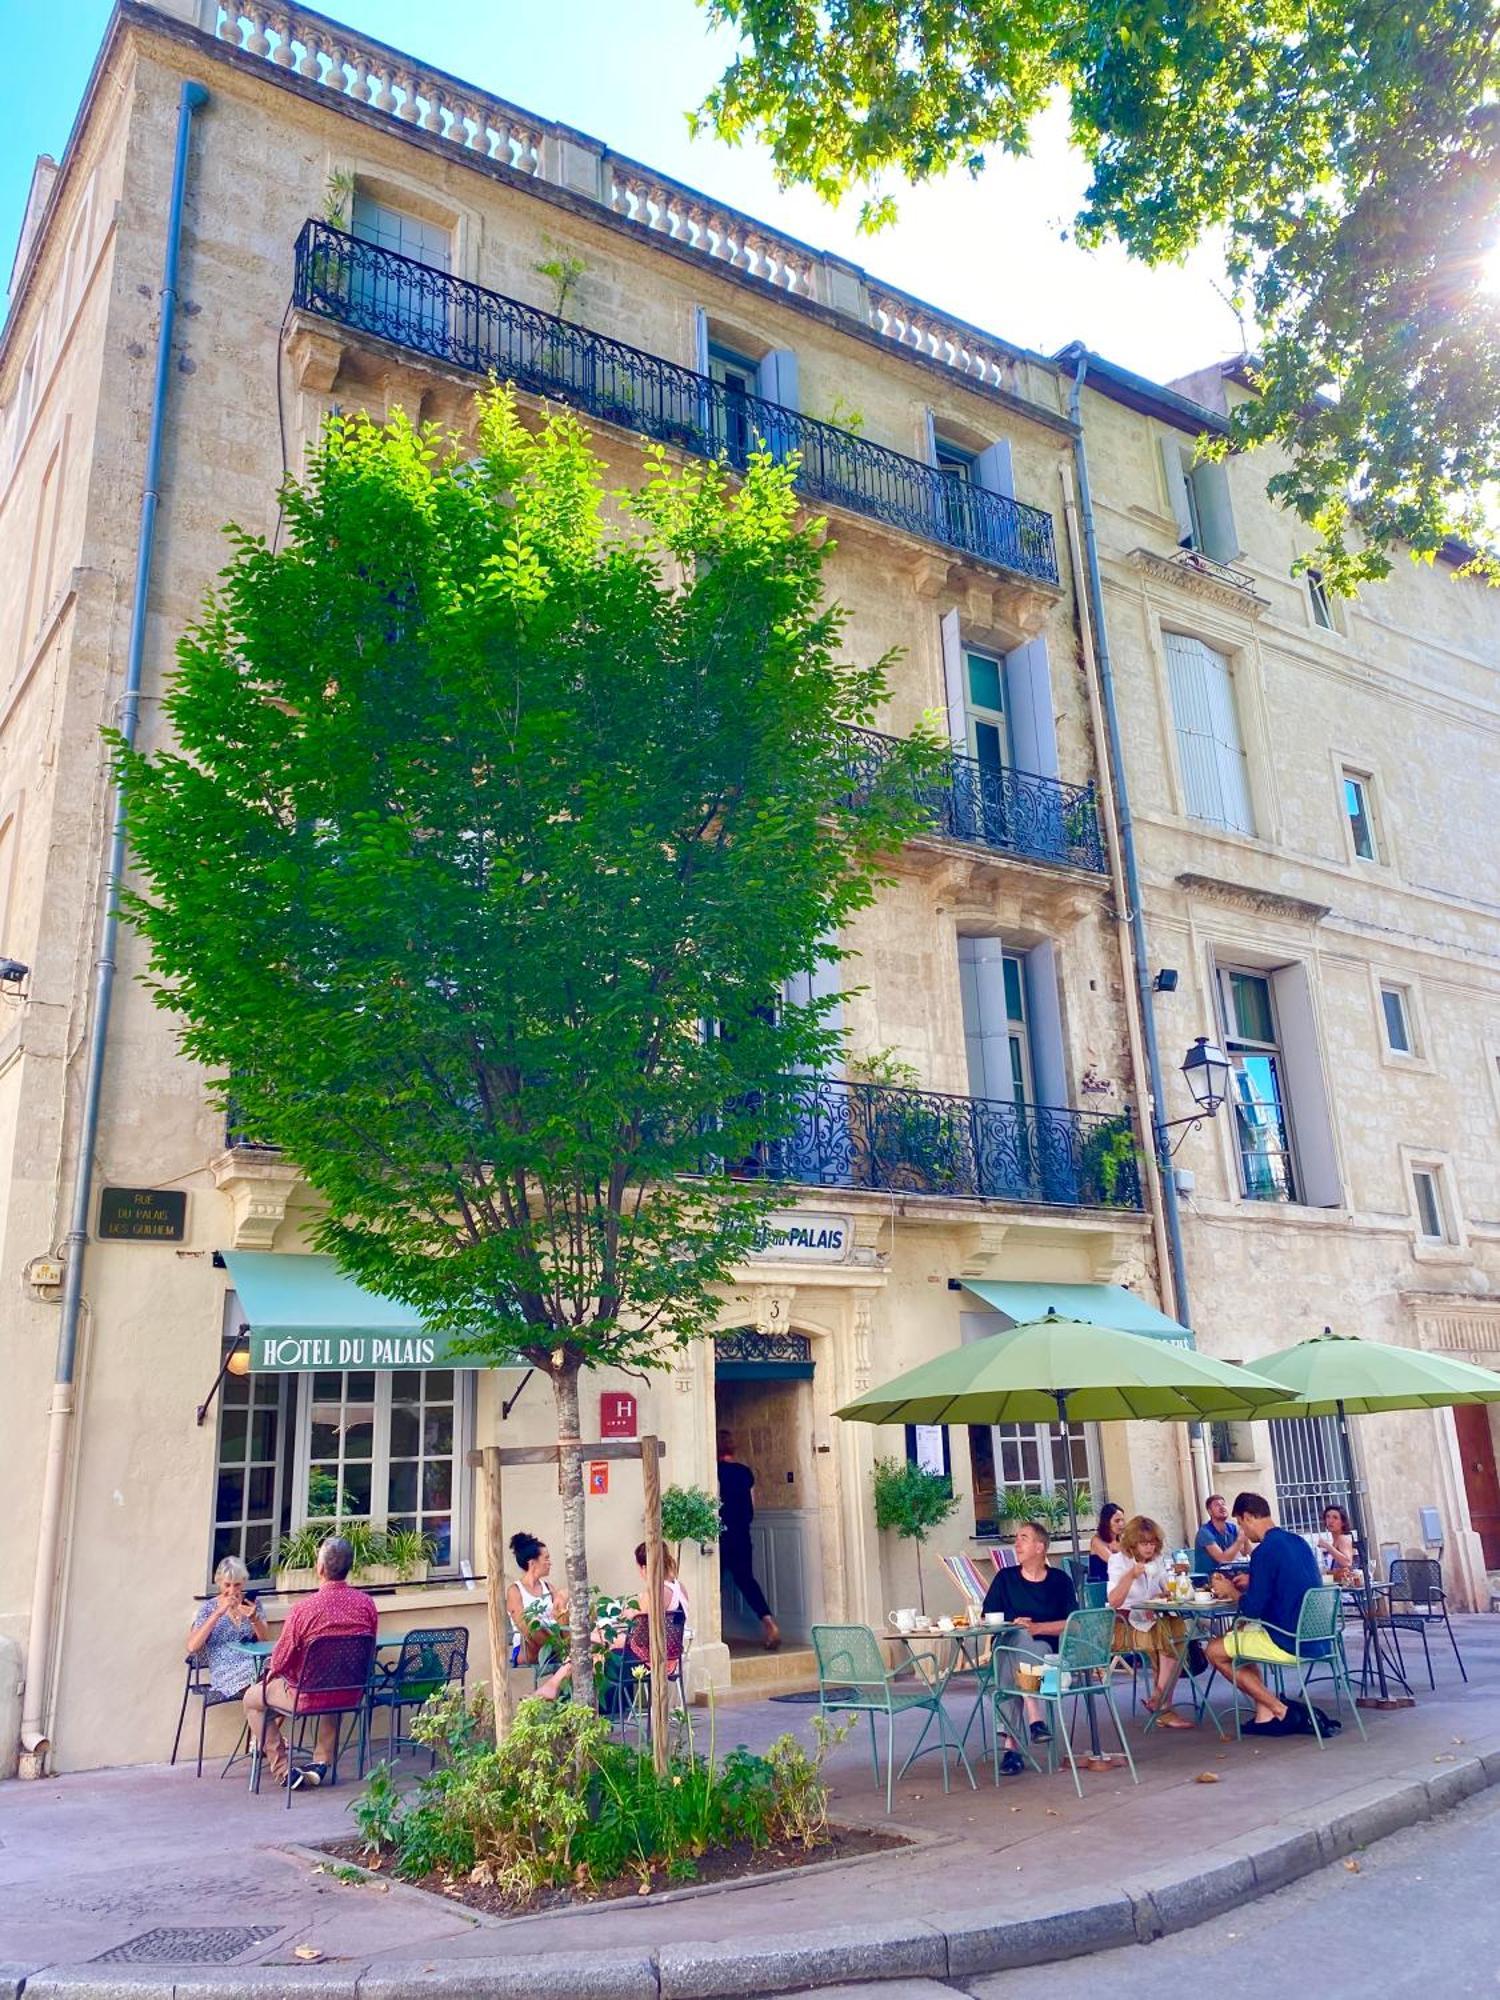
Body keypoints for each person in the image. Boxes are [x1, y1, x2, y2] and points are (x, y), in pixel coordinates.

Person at [242, 1534, 377, 1789]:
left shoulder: (304, 1610)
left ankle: (283, 1770)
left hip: (305, 1695)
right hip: (348, 1693)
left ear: (321, 1568)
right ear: (349, 1567)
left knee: (252, 1698)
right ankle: (321, 1762)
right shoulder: (366, 1605)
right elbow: (368, 1650)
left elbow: (281, 1659)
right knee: (334, 1683)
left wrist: (272, 1674)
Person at [1205, 1492, 1339, 1736]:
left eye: (1241, 1524)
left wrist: (1230, 1591)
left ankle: (1280, 1710)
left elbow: (1252, 1609)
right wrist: (1254, 1581)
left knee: (1214, 1651)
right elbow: (1284, 1582)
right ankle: (1264, 1715)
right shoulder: (1297, 1541)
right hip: (1318, 1638)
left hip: (1287, 1639)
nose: (1243, 1532)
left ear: (1247, 1517)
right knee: (1242, 1636)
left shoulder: (1263, 1552)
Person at [980, 1519, 1078, 1775]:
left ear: (1040, 1547)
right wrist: (1016, 1624)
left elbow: (1073, 1624)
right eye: (1017, 1538)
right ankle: (1036, 1720)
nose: (1016, 1543)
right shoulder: (1005, 1578)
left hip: (1051, 1661)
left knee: (1018, 1648)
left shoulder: (1059, 1581)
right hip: (1012, 1648)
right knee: (1018, 1640)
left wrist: (1037, 1628)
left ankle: (1012, 1749)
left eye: (1023, 1537)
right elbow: (987, 1617)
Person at [1107, 1514, 1192, 1728]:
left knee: (1177, 1628)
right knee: (1169, 1635)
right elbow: (1114, 1601)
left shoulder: (1157, 1561)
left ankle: (1159, 1698)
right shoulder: (1118, 1561)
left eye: (1153, 1542)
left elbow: (1166, 1587)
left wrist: (1171, 1589)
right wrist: (1131, 1575)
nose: (1149, 1548)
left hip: (1154, 1618)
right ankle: (1163, 1705)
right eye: (1144, 1543)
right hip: (1124, 1623)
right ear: (1132, 1544)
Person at [717, 1428, 780, 1650]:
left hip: (720, 1535)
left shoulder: (714, 1472)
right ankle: (769, 1623)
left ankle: (712, 1635)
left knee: (713, 1583)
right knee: (746, 1581)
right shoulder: (745, 1472)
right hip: (742, 1533)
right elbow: (752, 1505)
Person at [186, 1556, 268, 1700]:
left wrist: (254, 1618)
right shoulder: (209, 1607)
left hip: (253, 1661)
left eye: (237, 1585)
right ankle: (260, 1719)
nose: (232, 1590)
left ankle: (259, 1721)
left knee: (282, 1678)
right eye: (227, 1585)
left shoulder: (251, 1603)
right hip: (226, 1669)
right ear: (218, 1582)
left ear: (243, 1582)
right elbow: (192, 1646)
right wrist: (218, 1613)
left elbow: (264, 1639)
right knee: (268, 1692)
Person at [505, 1531, 570, 1666]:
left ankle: (565, 1651)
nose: (549, 1563)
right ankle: (566, 1652)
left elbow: (560, 1613)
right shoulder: (515, 1591)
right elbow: (524, 1627)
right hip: (528, 1648)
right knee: (532, 1623)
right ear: (532, 1563)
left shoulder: (548, 1587)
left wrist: (563, 1595)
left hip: (554, 1641)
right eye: (546, 1558)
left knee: (571, 1611)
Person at [1193, 1493, 1246, 1579]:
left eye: (1223, 1504)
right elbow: (1222, 1559)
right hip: (1209, 1579)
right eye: (1217, 1505)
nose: (1222, 1507)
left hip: (1229, 1577)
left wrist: (1246, 1536)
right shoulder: (1205, 1532)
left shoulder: (1232, 1528)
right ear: (1209, 1511)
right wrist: (1240, 1540)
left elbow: (1248, 1554)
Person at [1088, 1503, 1124, 1584]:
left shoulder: (1121, 1540)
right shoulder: (1097, 1541)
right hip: (1101, 1585)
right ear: (1107, 1522)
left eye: (1122, 1520)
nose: (1121, 1524)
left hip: (1117, 1582)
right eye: (1117, 1521)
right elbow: (1113, 1562)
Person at [1320, 1503, 1356, 1580]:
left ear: (1343, 1522)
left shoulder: (1343, 1538)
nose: (1330, 1521)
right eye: (1328, 1517)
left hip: (1347, 1589)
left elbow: (1347, 1562)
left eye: (1335, 1518)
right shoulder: (1335, 1541)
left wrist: (1327, 1546)